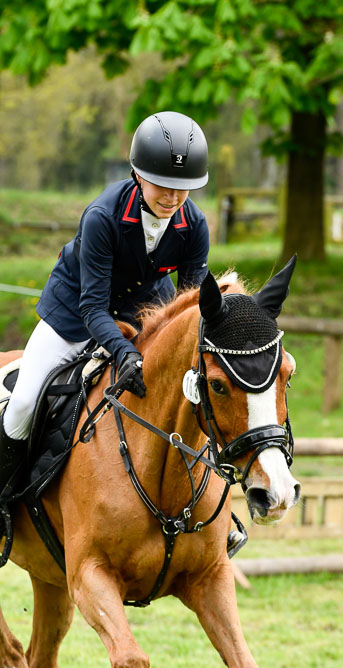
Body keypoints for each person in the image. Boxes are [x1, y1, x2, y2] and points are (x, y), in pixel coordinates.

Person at [0, 110, 210, 502]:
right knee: (24, 401)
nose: (172, 196)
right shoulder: (102, 216)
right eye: (162, 184)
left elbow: (191, 306)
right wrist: (124, 353)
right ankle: (5, 500)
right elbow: (93, 307)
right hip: (75, 311)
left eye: (183, 187)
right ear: (138, 175)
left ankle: (208, 512)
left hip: (147, 309)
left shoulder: (194, 226)